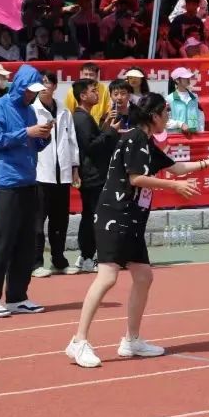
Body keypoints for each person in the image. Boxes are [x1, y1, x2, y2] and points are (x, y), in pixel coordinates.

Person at [65, 93, 209, 367]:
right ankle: (78, 341)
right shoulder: (135, 138)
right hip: (115, 215)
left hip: (133, 219)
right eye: (165, 113)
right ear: (154, 116)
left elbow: (176, 167)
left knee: (143, 276)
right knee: (107, 277)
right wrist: (174, 186)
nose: (168, 118)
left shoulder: (146, 141)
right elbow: (136, 178)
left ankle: (131, 340)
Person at [0, 65, 51, 317]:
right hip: (6, 183)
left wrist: (43, 136)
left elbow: (34, 144)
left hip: (28, 180)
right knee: (4, 242)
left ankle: (17, 297)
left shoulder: (30, 110)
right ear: (19, 86)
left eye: (35, 91)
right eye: (29, 90)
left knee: (26, 243)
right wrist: (27, 132)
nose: (32, 94)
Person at [32, 70, 81, 278]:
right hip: (40, 174)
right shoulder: (31, 110)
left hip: (63, 174)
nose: (44, 86)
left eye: (48, 82)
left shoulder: (64, 111)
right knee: (37, 221)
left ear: (54, 86)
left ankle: (59, 260)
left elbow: (72, 141)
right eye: (41, 83)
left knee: (60, 221)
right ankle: (35, 263)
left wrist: (75, 167)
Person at [73, 79, 120, 273]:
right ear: (83, 95)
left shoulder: (86, 117)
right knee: (92, 216)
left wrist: (106, 125)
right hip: (92, 176)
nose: (97, 94)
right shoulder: (82, 118)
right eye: (93, 91)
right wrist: (111, 131)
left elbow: (94, 140)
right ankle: (86, 256)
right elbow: (91, 146)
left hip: (93, 175)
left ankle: (87, 255)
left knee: (91, 215)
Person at [165, 67, 205, 135]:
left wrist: (201, 132)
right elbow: (165, 121)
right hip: (176, 138)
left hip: (193, 137)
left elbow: (200, 116)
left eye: (189, 77)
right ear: (177, 80)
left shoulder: (194, 97)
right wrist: (180, 124)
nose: (188, 79)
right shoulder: (169, 99)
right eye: (185, 77)